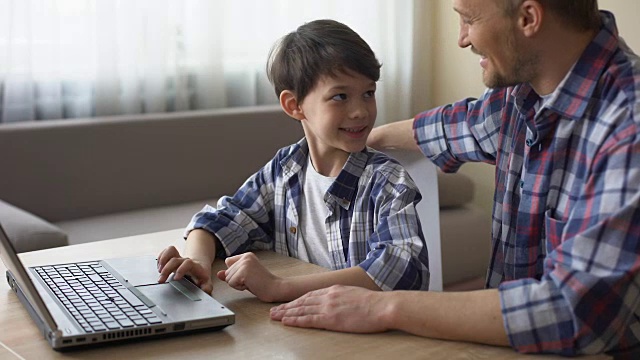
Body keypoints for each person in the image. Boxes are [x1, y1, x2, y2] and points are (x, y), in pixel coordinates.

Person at [269, 0, 640, 358]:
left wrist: (384, 307)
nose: (462, 38)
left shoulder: (628, 126)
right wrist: (362, 139)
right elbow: (455, 126)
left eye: (469, 19)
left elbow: (575, 311)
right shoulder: (520, 96)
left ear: (528, 18)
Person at [156, 19, 430, 303]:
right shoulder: (285, 169)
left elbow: (400, 268)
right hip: (305, 333)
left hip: (370, 339)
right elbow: (218, 220)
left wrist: (280, 287)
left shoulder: (387, 181)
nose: (360, 111)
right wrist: (198, 263)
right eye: (340, 96)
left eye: (368, 93)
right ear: (294, 105)